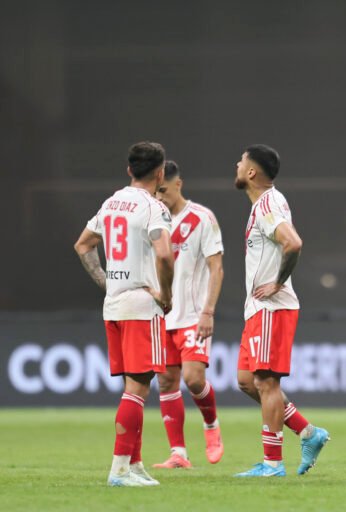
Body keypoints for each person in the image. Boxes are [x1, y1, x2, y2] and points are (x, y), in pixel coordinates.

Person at [73, 141, 174, 487]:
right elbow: (164, 255)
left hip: (114, 305)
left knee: (134, 386)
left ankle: (134, 465)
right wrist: (167, 296)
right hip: (141, 306)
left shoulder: (111, 202)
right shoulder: (153, 207)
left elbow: (83, 244)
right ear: (160, 173)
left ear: (129, 170)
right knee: (138, 387)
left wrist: (107, 283)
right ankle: (118, 469)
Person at [232, 144, 329, 478]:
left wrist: (277, 282)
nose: (237, 165)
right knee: (247, 380)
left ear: (252, 172)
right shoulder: (262, 203)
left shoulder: (268, 203)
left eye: (241, 162)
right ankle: (308, 432)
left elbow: (293, 242)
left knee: (266, 382)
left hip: (272, 307)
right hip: (258, 308)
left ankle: (272, 463)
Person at [152, 160, 225, 469]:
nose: (159, 198)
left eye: (164, 191)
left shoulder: (201, 218)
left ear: (178, 184)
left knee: (194, 380)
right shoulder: (152, 219)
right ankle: (178, 454)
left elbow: (216, 267)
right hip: (160, 315)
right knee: (167, 382)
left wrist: (208, 311)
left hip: (193, 315)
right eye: (155, 192)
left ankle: (211, 425)